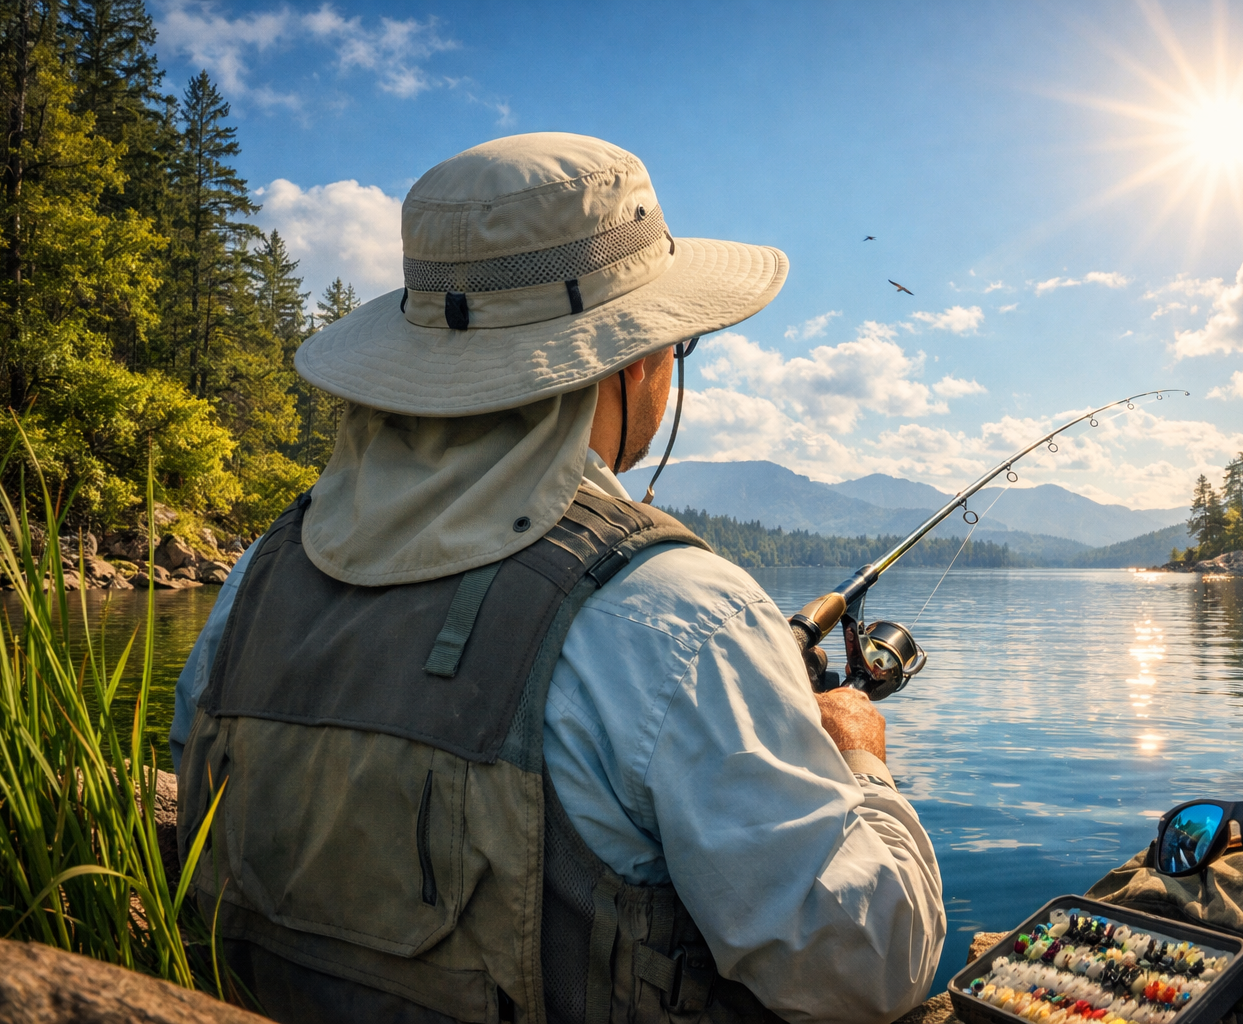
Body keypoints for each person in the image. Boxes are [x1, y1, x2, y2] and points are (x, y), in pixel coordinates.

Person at [172, 132, 944, 1024]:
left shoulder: (260, 576)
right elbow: (869, 969)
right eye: (674, 347)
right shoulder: (680, 615)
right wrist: (857, 755)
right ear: (630, 360)